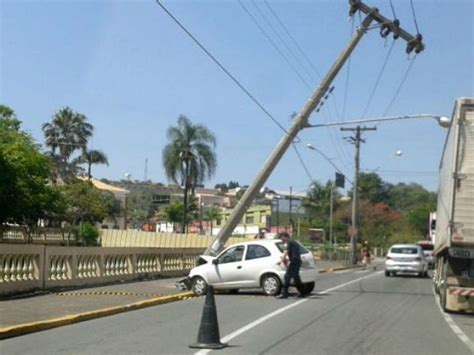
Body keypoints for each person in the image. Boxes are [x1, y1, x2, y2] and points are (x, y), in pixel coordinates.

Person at [276, 232, 305, 299]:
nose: (281, 240)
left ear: (285, 237)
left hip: (294, 261)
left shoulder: (288, 242)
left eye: (282, 238)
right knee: (296, 277)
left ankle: (284, 294)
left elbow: (285, 251)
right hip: (298, 261)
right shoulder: (294, 242)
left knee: (287, 277)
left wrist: (281, 260)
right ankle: (302, 292)